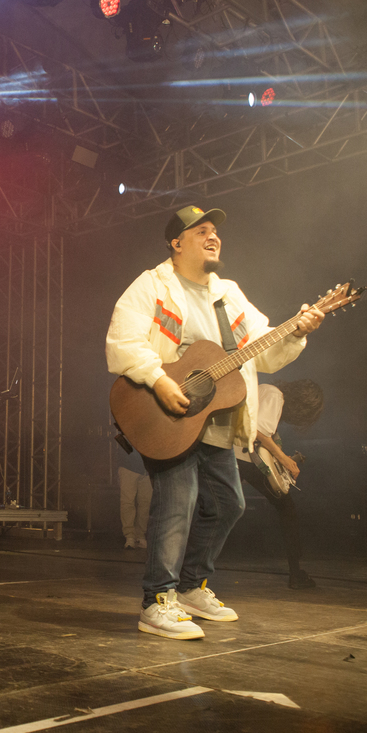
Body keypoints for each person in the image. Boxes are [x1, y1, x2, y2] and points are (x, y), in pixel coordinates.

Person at [105, 205, 323, 640]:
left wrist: (297, 331)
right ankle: (156, 601)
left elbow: (263, 350)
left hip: (217, 421)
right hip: (167, 417)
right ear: (176, 243)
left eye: (215, 231)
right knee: (178, 502)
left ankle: (190, 588)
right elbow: (123, 341)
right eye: (201, 230)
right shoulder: (153, 285)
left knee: (228, 504)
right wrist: (160, 381)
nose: (213, 236)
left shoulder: (228, 295)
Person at [234, 379, 324, 589]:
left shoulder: (269, 391)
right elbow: (258, 432)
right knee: (287, 509)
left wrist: (279, 458)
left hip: (241, 457)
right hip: (243, 457)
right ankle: (296, 574)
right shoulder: (274, 394)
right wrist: (283, 459)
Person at [118, 451, 151, 550]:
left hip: (147, 468)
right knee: (128, 502)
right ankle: (130, 536)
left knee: (146, 503)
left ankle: (139, 536)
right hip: (129, 464)